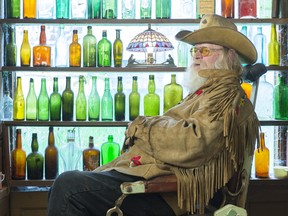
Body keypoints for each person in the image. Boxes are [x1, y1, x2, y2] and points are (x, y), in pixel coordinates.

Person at [47, 14, 260, 216]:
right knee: (63, 186)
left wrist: (144, 127)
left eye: (205, 51)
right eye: (194, 50)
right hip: (161, 183)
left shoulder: (224, 96)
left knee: (68, 188)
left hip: (175, 196)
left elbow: (194, 143)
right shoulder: (206, 93)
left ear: (228, 55)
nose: (196, 54)